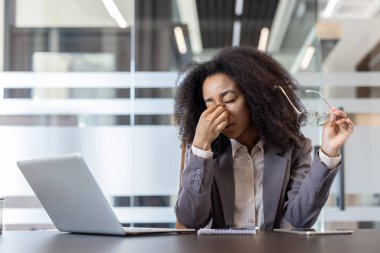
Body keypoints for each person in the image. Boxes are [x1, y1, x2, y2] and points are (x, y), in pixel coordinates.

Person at [173, 46, 354, 230]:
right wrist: (201, 148)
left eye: (229, 100)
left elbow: (300, 219)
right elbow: (191, 219)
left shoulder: (295, 148)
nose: (220, 113)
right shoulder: (202, 151)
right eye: (209, 105)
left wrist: (329, 153)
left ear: (255, 97)